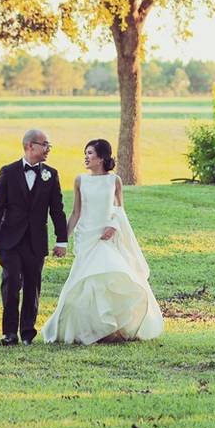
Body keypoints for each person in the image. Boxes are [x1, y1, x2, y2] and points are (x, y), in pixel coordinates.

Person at [42, 139, 163, 344]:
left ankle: (112, 327)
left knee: (109, 276)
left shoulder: (114, 181)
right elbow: (76, 212)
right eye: (85, 153)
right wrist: (62, 240)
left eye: (90, 153)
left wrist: (113, 226)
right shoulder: (80, 180)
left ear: (102, 157)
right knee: (85, 283)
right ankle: (91, 328)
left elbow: (119, 209)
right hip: (87, 238)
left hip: (106, 238)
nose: (86, 157)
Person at [0, 129, 67, 346]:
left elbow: (57, 210)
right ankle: (9, 333)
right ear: (30, 146)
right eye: (45, 144)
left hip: (36, 241)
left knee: (33, 286)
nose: (48, 149)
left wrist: (62, 240)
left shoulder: (51, 174)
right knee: (11, 282)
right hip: (9, 240)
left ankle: (28, 332)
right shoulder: (8, 172)